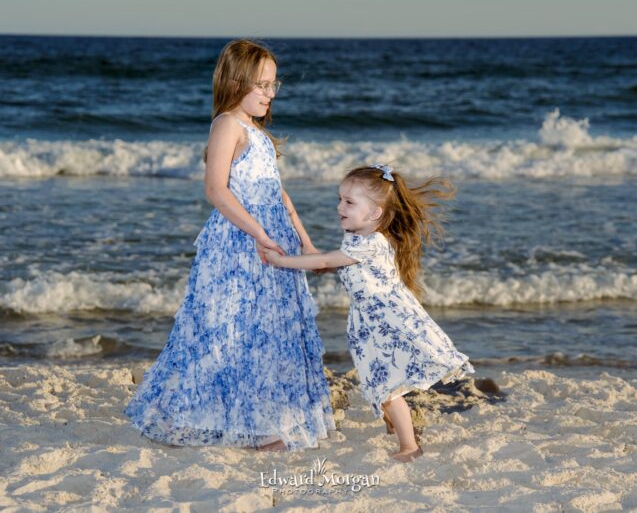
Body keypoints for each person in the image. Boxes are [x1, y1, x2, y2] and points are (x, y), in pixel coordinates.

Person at [123, 39, 335, 452]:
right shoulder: (227, 125)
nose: (270, 93)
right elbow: (216, 189)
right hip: (239, 245)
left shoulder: (259, 134)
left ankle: (264, 424)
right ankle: (243, 426)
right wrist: (258, 234)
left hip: (273, 245)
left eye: (273, 85)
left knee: (271, 332)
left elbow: (280, 195)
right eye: (262, 85)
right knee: (233, 331)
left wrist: (306, 243)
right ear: (236, 82)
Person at [263, 164, 474, 462]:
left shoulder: (372, 242)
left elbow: (325, 260)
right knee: (380, 380)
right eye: (339, 199)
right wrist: (296, 222)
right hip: (370, 323)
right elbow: (331, 262)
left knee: (387, 387)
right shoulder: (356, 238)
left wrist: (281, 262)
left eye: (349, 202)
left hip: (386, 320)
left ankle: (410, 447)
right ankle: (394, 423)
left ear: (375, 213)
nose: (340, 207)